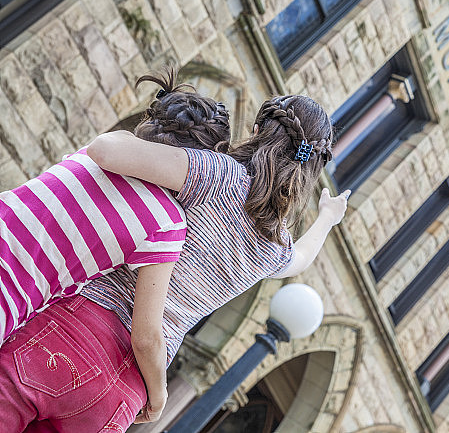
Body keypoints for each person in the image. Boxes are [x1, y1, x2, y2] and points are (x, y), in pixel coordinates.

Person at [0, 93, 349, 432]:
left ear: (257, 131)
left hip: (74, 333)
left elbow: (106, 152)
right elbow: (302, 258)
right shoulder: (277, 247)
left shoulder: (220, 174)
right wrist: (327, 218)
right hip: (126, 395)